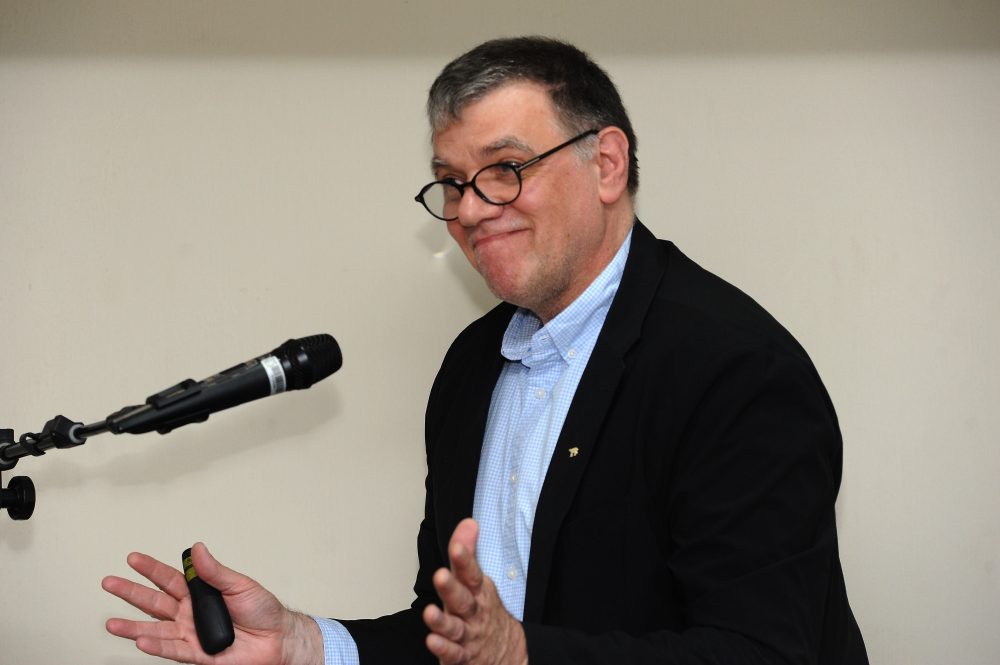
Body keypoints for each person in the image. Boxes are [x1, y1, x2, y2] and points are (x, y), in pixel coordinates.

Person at [103, 37, 868, 665]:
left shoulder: (736, 368)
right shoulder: (474, 365)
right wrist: (302, 645)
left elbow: (763, 651)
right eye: (451, 183)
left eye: (503, 171)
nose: (470, 210)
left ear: (606, 164)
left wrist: (522, 653)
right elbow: (452, 636)